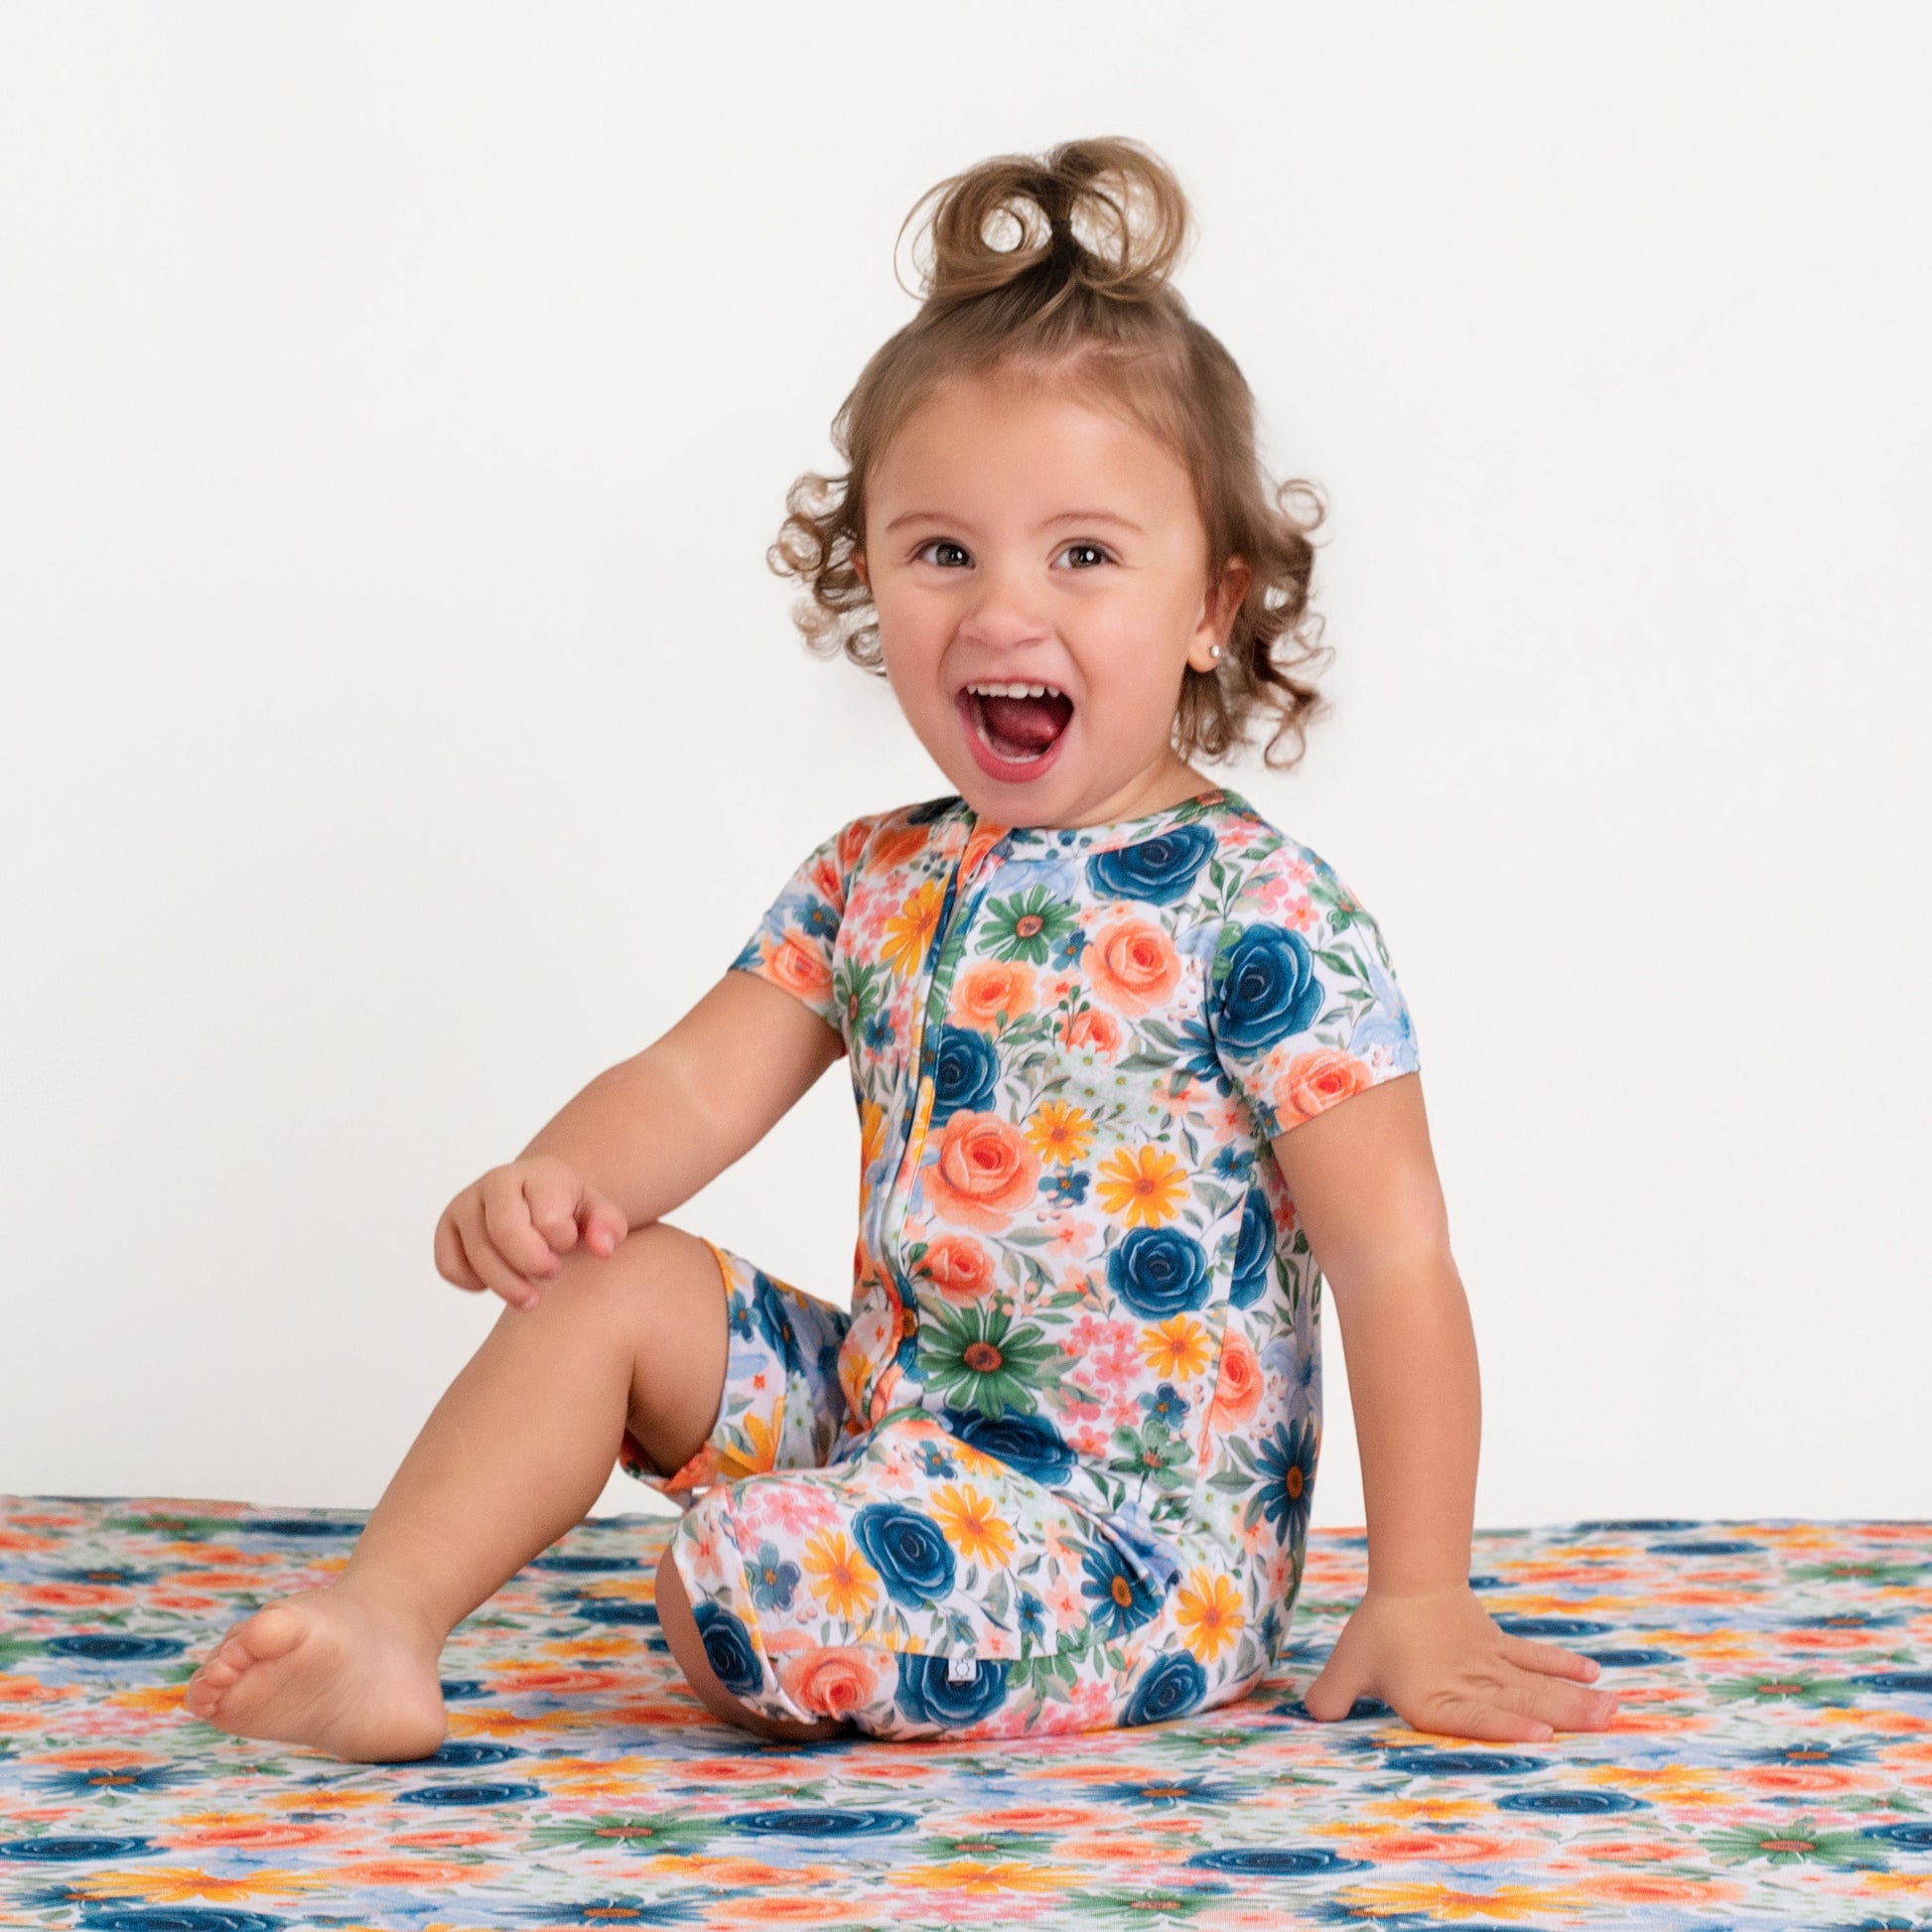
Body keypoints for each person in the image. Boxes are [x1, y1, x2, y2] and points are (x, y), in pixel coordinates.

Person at [184, 136, 1619, 1759]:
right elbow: (690, 1083)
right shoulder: (868, 874)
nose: (1002, 610)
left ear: (1211, 607)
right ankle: (380, 1624)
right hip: (895, 1426)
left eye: (1082, 554)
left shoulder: (1265, 914)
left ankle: (811, 1579)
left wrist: (1418, 1589)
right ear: (867, 573)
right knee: (604, 1283)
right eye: (943, 551)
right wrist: (553, 1177)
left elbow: (1393, 1256)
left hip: (1127, 1547)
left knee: (737, 1589)